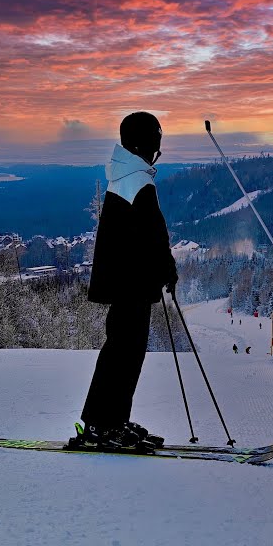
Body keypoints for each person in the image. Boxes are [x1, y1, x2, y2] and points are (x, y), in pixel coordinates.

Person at [73, 111, 176, 452]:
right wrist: (167, 269)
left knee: (123, 351)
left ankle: (109, 420)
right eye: (156, 139)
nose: (158, 147)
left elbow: (145, 234)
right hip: (130, 281)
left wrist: (162, 268)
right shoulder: (137, 181)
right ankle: (102, 424)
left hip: (126, 280)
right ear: (146, 142)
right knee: (124, 352)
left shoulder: (127, 175)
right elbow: (153, 235)